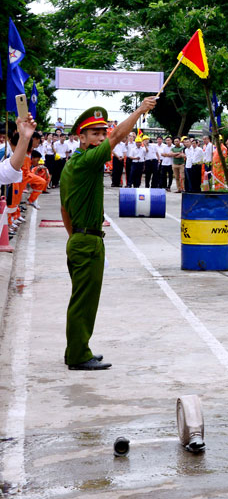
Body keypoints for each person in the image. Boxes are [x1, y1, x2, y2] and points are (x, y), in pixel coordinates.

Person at [60, 98, 157, 370]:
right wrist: (140, 110)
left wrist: (74, 237)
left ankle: (77, 349)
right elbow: (117, 136)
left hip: (80, 239)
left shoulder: (73, 164)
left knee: (81, 299)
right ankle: (78, 356)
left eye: (102, 132)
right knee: (84, 302)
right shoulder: (88, 161)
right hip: (87, 241)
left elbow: (63, 208)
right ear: (81, 137)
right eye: (95, 133)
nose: (102, 137)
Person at [0, 116, 35, 185]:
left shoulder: (4, 148)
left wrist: (24, 138)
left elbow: (8, 172)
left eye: (4, 137)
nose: (1, 139)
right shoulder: (3, 149)